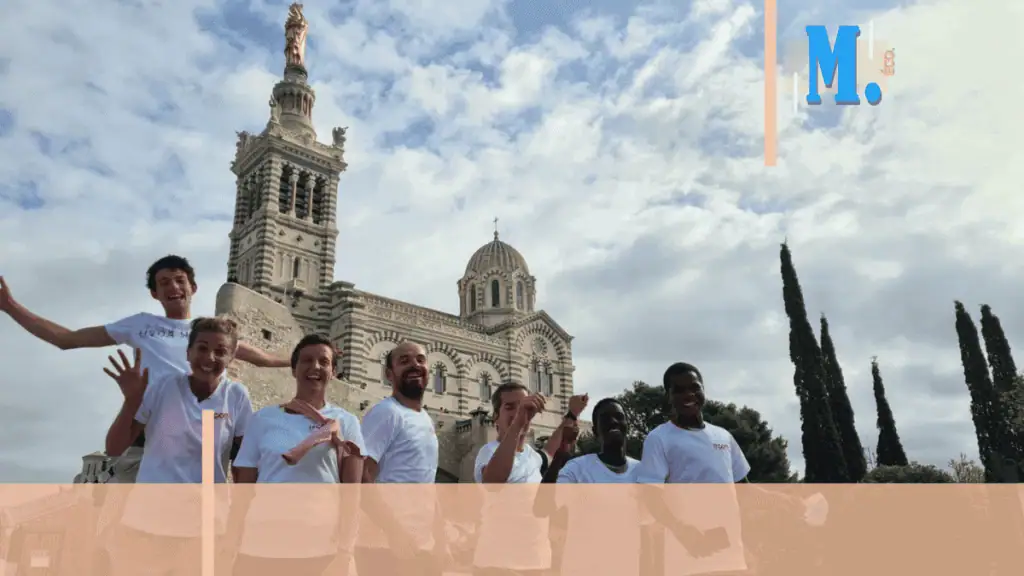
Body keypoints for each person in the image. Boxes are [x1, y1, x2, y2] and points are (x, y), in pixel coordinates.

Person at [102, 316, 254, 576]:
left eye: (220, 351)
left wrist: (236, 527)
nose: (210, 357)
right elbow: (114, 448)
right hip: (146, 525)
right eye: (202, 348)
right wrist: (131, 400)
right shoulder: (163, 387)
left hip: (205, 531)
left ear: (231, 358)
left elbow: (245, 467)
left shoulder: (236, 397)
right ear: (188, 352)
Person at [0, 255, 291, 384]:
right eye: (164, 283)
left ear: (193, 287)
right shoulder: (140, 325)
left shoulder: (210, 332)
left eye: (179, 280)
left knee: (205, 493)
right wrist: (11, 307)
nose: (173, 287)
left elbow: (264, 359)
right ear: (155, 293)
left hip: (204, 431)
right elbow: (67, 339)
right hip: (150, 432)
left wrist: (306, 359)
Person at [227, 334, 364, 576]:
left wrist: (345, 551)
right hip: (261, 545)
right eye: (307, 360)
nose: (315, 367)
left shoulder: (346, 422)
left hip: (320, 549)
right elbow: (243, 491)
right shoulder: (263, 419)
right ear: (294, 369)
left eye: (324, 362)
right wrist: (230, 542)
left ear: (333, 372)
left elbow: (352, 494)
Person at [471, 384, 587, 576]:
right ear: (496, 417)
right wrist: (518, 423)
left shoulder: (533, 457)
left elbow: (553, 445)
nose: (519, 412)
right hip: (496, 565)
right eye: (510, 407)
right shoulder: (488, 451)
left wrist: (573, 413)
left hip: (536, 565)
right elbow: (493, 483)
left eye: (524, 407)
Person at [355, 341, 447, 576]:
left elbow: (427, 482)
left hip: (420, 546)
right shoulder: (387, 413)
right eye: (404, 361)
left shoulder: (424, 419)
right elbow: (360, 477)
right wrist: (394, 532)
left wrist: (441, 540)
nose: (414, 365)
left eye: (420, 360)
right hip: (384, 547)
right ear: (389, 374)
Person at [535, 397, 647, 576]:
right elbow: (541, 507)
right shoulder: (578, 469)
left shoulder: (643, 472)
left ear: (627, 425)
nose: (613, 421)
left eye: (619, 417)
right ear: (595, 431)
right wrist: (561, 454)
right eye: (605, 418)